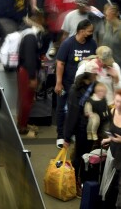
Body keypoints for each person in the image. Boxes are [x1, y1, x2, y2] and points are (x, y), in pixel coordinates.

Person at [55, 19, 98, 148]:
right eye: (89, 31)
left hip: (84, 86)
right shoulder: (67, 44)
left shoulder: (92, 44)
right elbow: (60, 64)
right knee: (62, 108)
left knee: (78, 110)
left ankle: (73, 133)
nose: (91, 33)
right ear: (81, 31)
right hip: (66, 83)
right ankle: (61, 136)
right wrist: (58, 82)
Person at [63, 60, 99, 196]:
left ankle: (83, 183)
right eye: (95, 74)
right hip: (82, 129)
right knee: (80, 157)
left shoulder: (94, 87)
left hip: (91, 128)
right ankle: (76, 183)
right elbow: (72, 115)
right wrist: (67, 137)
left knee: (87, 157)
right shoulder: (76, 89)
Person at [16, 12, 47, 136]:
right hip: (27, 72)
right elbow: (29, 58)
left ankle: (22, 122)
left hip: (26, 70)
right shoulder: (30, 37)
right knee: (26, 100)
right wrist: (32, 77)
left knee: (26, 100)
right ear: (38, 21)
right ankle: (22, 127)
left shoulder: (29, 34)